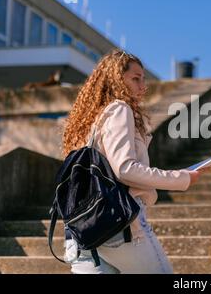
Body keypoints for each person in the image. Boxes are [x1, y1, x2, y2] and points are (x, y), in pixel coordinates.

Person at [61, 49, 200, 273]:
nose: (142, 86)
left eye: (143, 79)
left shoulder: (90, 119)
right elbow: (125, 169)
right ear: (116, 79)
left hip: (83, 234)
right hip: (119, 228)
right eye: (135, 79)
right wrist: (181, 178)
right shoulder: (119, 109)